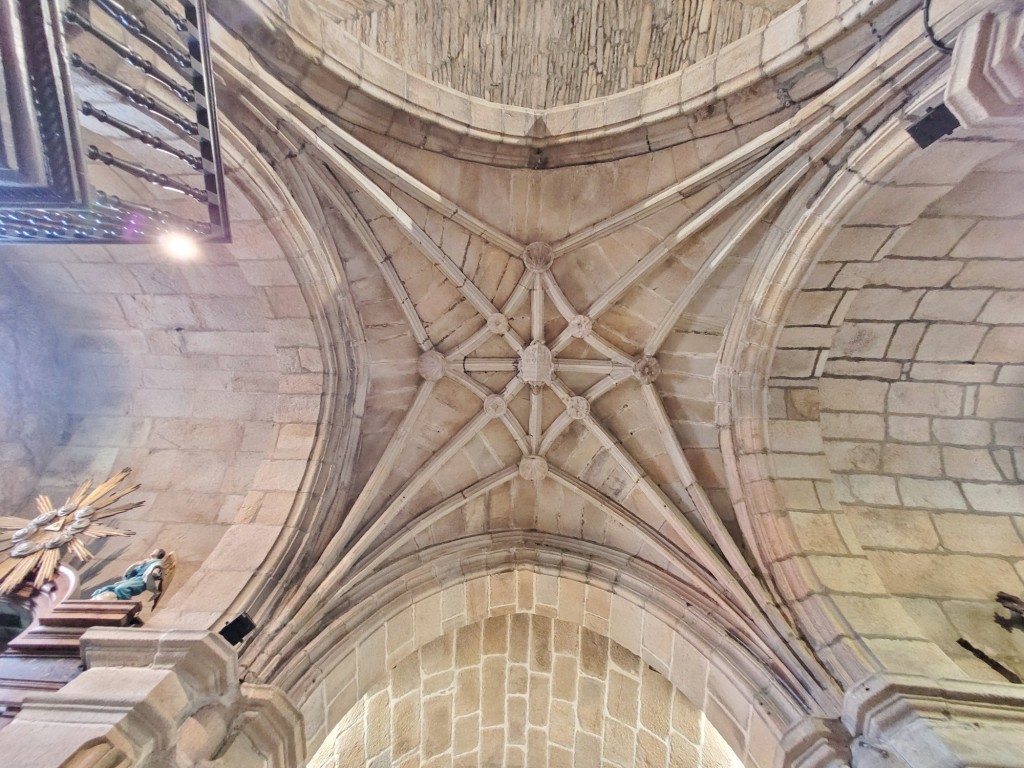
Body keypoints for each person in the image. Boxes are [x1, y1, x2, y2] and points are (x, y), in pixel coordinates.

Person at [91, 549, 167, 602]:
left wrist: (156, 574)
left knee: (121, 588)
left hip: (141, 581)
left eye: (155, 551)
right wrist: (136, 565)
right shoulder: (146, 561)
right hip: (134, 579)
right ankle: (95, 600)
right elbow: (135, 570)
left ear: (159, 553)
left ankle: (125, 604)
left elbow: (156, 571)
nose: (152, 551)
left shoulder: (158, 562)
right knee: (110, 588)